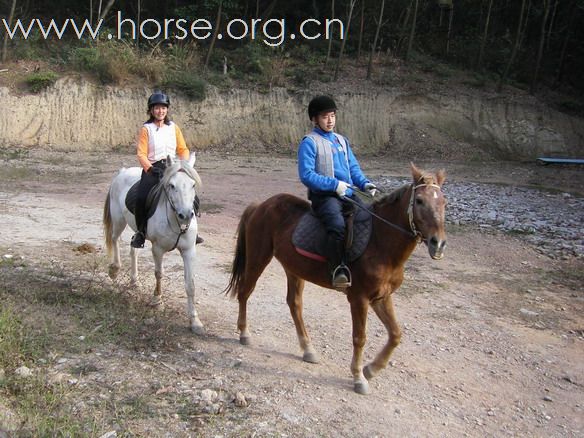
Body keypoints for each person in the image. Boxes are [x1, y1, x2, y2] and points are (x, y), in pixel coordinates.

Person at [297, 95, 377, 288]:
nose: (330, 120)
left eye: (333, 116)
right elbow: (306, 175)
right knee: (337, 225)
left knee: (369, 218)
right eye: (325, 116)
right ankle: (337, 269)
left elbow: (353, 167)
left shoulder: (342, 141)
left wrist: (365, 183)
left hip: (347, 193)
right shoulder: (309, 142)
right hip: (325, 197)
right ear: (315, 119)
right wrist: (334, 185)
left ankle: (361, 263)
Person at [131, 91, 203, 248]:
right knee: (141, 197)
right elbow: (141, 154)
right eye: (157, 108)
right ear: (151, 110)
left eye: (163, 108)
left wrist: (184, 165)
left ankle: (192, 231)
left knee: (192, 195)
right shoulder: (146, 129)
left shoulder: (174, 128)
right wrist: (150, 169)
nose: (160, 111)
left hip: (173, 167)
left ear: (167, 109)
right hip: (153, 168)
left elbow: (183, 149)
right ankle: (141, 233)